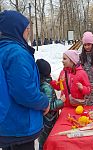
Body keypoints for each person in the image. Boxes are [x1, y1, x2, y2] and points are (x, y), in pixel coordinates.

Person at [0, 10, 50, 150]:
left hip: (8, 123)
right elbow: (24, 91)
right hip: (20, 124)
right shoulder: (16, 53)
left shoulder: (4, 50)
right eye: (26, 28)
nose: (28, 31)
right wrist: (44, 102)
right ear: (16, 28)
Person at [36, 59, 64, 150]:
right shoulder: (46, 87)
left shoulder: (39, 83)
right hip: (49, 120)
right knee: (47, 141)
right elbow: (49, 106)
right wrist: (61, 101)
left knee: (43, 140)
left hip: (44, 120)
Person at [80, 31, 93, 105]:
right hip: (85, 84)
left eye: (89, 44)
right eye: (85, 45)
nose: (87, 47)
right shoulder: (81, 56)